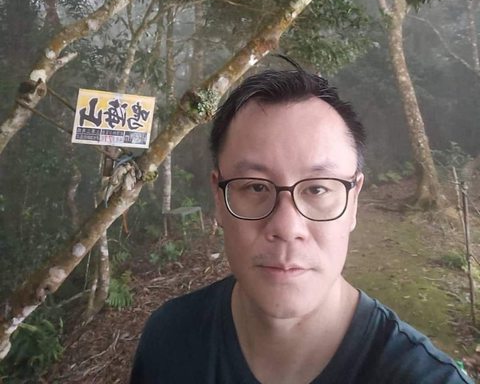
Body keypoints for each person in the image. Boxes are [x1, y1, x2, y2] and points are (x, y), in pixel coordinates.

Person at [130, 64, 473, 384]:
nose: (286, 226)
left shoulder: (422, 376)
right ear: (219, 198)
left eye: (318, 189)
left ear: (353, 200)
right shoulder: (167, 340)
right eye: (256, 187)